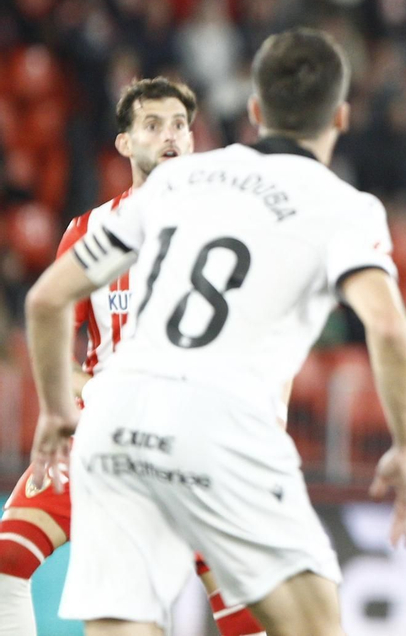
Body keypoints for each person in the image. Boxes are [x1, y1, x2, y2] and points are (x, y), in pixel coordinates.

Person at [24, 29, 406, 636]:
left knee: (121, 623)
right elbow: (390, 330)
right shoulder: (345, 207)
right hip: (224, 418)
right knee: (313, 624)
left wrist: (57, 408)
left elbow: (46, 297)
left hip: (117, 417)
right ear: (341, 116)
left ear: (256, 111)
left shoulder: (180, 181)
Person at [0, 77, 268, 636]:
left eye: (179, 125)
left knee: (248, 613)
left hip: (196, 441)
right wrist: (73, 396)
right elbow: (51, 335)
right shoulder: (88, 232)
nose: (169, 136)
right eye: (153, 125)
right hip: (104, 439)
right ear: (124, 144)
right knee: (7, 560)